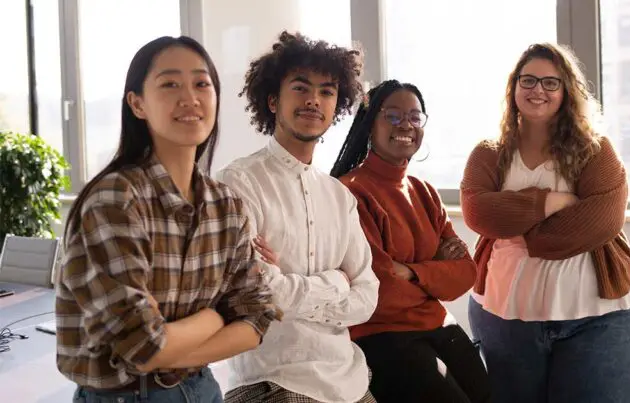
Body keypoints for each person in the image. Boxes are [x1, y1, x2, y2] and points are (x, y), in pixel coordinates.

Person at [55, 36, 281, 403]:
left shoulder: (226, 205)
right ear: (137, 104)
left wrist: (175, 351)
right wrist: (213, 317)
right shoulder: (114, 200)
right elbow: (142, 345)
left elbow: (258, 315)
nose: (190, 98)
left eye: (201, 84)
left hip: (203, 389)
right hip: (124, 397)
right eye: (170, 84)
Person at [460, 43, 630, 403]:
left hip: (601, 319)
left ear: (567, 91)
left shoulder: (596, 150)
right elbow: (477, 212)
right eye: (528, 80)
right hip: (505, 317)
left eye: (551, 82)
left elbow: (602, 222)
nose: (538, 90)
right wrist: (550, 201)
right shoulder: (488, 152)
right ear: (513, 87)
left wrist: (523, 231)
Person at [216, 31, 379, 403]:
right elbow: (260, 295)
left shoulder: (340, 197)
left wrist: (292, 288)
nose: (313, 100)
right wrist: (337, 282)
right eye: (301, 88)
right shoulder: (238, 183)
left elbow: (368, 298)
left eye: (326, 91)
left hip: (348, 378)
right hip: (273, 381)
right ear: (272, 100)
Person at [329, 80, 491, 403]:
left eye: (415, 117)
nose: (405, 125)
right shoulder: (352, 192)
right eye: (392, 116)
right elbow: (381, 290)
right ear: (369, 123)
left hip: (437, 325)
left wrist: (412, 272)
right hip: (382, 335)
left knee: (489, 396)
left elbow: (466, 274)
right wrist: (435, 271)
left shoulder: (425, 192)